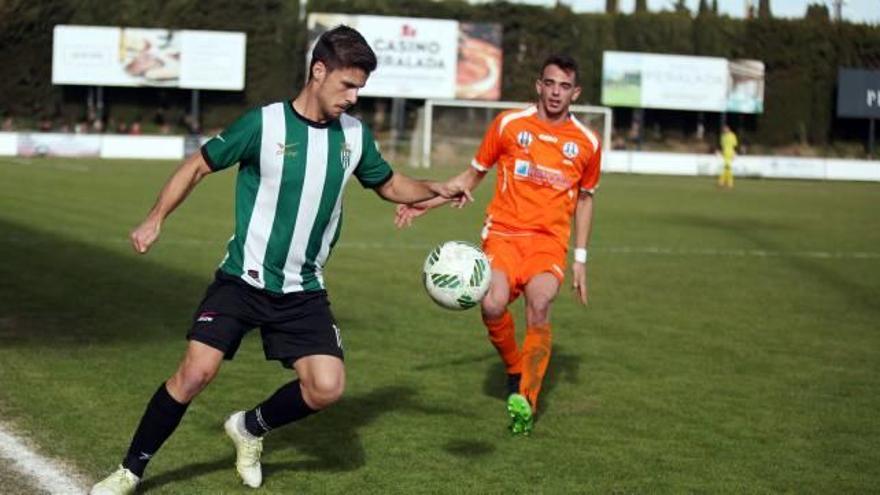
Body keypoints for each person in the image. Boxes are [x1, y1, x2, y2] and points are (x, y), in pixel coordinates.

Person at [90, 25, 471, 495]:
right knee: (194, 373)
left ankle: (249, 427)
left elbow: (390, 184)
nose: (354, 97)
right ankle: (130, 470)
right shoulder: (263, 124)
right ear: (318, 71)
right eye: (347, 85)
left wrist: (435, 187)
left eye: (360, 88)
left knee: (327, 387)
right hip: (242, 280)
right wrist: (155, 219)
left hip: (303, 289)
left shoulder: (354, 136)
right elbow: (197, 166)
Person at [395, 55, 601, 436]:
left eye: (564, 86)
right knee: (491, 302)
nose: (556, 92)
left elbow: (586, 198)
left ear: (576, 92)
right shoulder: (508, 124)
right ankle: (513, 367)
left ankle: (527, 399)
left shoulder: (587, 143)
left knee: (540, 303)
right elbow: (471, 177)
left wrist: (581, 259)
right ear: (539, 85)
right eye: (550, 83)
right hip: (503, 235)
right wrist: (425, 204)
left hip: (548, 243)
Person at [718, 124, 738, 188]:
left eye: (726, 129)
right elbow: (721, 145)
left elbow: (735, 145)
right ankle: (725, 182)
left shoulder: (732, 135)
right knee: (726, 168)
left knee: (727, 168)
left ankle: (726, 182)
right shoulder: (723, 136)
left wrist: (734, 153)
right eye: (724, 129)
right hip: (724, 154)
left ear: (729, 129)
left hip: (730, 154)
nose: (725, 130)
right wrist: (720, 151)